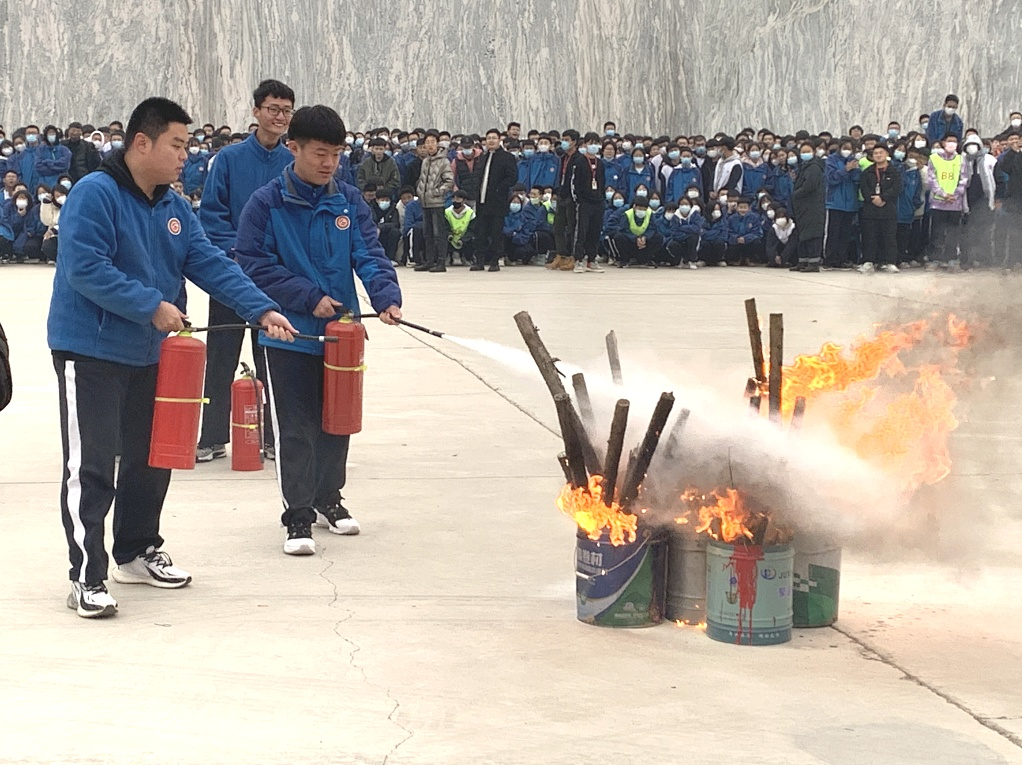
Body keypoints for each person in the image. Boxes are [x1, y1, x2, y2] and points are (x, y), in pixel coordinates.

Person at [47, 97, 295, 618]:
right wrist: (151, 305)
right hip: (89, 351)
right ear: (143, 142)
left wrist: (262, 309)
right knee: (90, 465)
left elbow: (208, 262)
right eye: (177, 145)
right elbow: (84, 268)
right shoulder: (96, 194)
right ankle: (85, 575)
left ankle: (136, 550)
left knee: (152, 456)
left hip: (151, 353)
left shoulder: (175, 206)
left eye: (187, 146)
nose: (186, 155)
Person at [234, 104, 402, 556]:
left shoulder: (347, 200)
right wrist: (307, 297)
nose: (329, 164)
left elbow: (369, 254)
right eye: (319, 153)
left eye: (336, 155)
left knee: (338, 422)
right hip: (287, 333)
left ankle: (330, 500)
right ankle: (298, 517)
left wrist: (386, 297)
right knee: (297, 427)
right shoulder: (266, 203)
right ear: (294, 148)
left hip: (341, 335)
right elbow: (252, 263)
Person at [196, 79, 296, 463]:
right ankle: (212, 437)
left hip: (273, 278)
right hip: (231, 274)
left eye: (286, 110)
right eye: (273, 109)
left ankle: (271, 437)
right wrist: (237, 256)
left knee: (272, 357)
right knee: (221, 355)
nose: (280, 116)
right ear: (256, 112)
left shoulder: (292, 161)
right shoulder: (229, 159)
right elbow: (213, 215)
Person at [473, 128, 518, 272]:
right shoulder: (482, 157)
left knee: (496, 233)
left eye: (494, 138)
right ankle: (479, 261)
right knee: (480, 232)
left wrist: (499, 188)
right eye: (488, 138)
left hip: (497, 202)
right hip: (482, 201)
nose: (491, 141)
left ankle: (495, 261)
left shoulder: (507, 157)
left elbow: (512, 177)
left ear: (500, 140)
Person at [857, 144, 902, 273]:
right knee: (869, 235)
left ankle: (888, 262)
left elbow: (897, 188)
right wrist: (873, 199)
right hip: (870, 208)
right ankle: (869, 261)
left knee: (889, 236)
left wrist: (883, 198)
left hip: (888, 208)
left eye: (881, 153)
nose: (878, 155)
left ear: (887, 154)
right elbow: (864, 188)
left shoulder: (894, 171)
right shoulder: (868, 172)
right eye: (875, 153)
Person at [414, 130, 454, 272]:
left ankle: (441, 262)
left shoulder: (444, 161)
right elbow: (422, 179)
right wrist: (420, 191)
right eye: (427, 142)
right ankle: (429, 260)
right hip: (425, 202)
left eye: (433, 142)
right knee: (428, 233)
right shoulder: (425, 161)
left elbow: (449, 181)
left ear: (438, 144)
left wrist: (437, 192)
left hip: (437, 202)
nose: (430, 145)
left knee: (439, 233)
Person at [927, 136, 970, 268]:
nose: (951, 144)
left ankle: (950, 258)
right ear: (943, 143)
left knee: (953, 232)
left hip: (955, 204)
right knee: (936, 231)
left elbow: (964, 179)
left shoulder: (961, 159)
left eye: (954, 141)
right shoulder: (934, 158)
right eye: (949, 141)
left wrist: (955, 194)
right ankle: (935, 258)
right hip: (938, 203)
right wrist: (943, 194)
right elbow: (931, 178)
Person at [569, 132, 606, 273]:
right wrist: (579, 200)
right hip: (584, 203)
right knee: (581, 231)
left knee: (595, 231)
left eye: (596, 143)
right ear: (584, 145)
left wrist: (601, 198)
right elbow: (574, 183)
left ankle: (592, 259)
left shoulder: (600, 163)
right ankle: (578, 259)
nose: (593, 146)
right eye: (590, 143)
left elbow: (602, 183)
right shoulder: (579, 161)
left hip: (598, 202)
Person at [823, 138, 861, 269]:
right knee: (834, 231)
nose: (847, 151)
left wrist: (855, 169)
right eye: (845, 147)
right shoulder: (831, 160)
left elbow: (857, 180)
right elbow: (832, 178)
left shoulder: (854, 160)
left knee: (845, 232)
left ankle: (842, 258)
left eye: (849, 148)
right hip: (835, 202)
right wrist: (845, 169)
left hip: (850, 202)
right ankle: (830, 259)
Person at [790, 140, 826, 272]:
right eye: (803, 152)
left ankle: (814, 262)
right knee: (803, 233)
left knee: (813, 234)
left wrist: (796, 194)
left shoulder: (814, 167)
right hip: (803, 206)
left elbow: (809, 186)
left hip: (812, 205)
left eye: (808, 151)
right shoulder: (804, 166)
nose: (805, 154)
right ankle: (803, 260)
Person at [0, 189, 44, 262]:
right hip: (11, 233)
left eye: (23, 198)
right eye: (19, 198)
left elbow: (34, 223)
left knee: (30, 245)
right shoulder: (8, 207)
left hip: (27, 234)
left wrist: (31, 231)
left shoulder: (33, 209)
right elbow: (7, 223)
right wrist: (18, 216)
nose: (21, 200)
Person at [726, 197, 764, 265]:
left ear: (749, 208)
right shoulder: (731, 218)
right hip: (736, 241)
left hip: (749, 241)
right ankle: (736, 259)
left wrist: (746, 238)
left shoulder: (755, 217)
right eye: (740, 207)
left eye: (745, 207)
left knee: (757, 242)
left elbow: (757, 232)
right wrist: (737, 238)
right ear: (737, 208)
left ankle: (749, 259)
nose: (742, 210)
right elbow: (729, 231)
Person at [502, 193, 538, 264]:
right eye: (513, 202)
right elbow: (502, 228)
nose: (516, 204)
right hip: (506, 239)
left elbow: (526, 231)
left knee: (527, 250)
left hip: (518, 240)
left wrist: (516, 237)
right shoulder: (504, 216)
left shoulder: (523, 217)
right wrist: (512, 232)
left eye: (518, 203)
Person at [445, 189, 477, 265]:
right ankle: (447, 257)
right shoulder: (447, 212)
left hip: (465, 238)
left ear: (464, 201)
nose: (455, 201)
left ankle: (467, 258)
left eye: (458, 199)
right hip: (451, 238)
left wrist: (463, 239)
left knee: (473, 240)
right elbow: (445, 227)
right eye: (454, 198)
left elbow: (472, 230)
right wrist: (449, 235)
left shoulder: (470, 213)